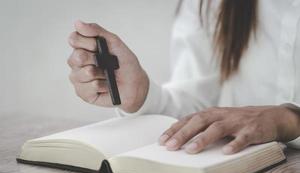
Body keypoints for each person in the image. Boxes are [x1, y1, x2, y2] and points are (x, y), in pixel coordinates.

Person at [67, 0, 300, 155]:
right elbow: (199, 105)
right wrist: (141, 97)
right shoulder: (209, 4)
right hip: (242, 172)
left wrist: (289, 119)